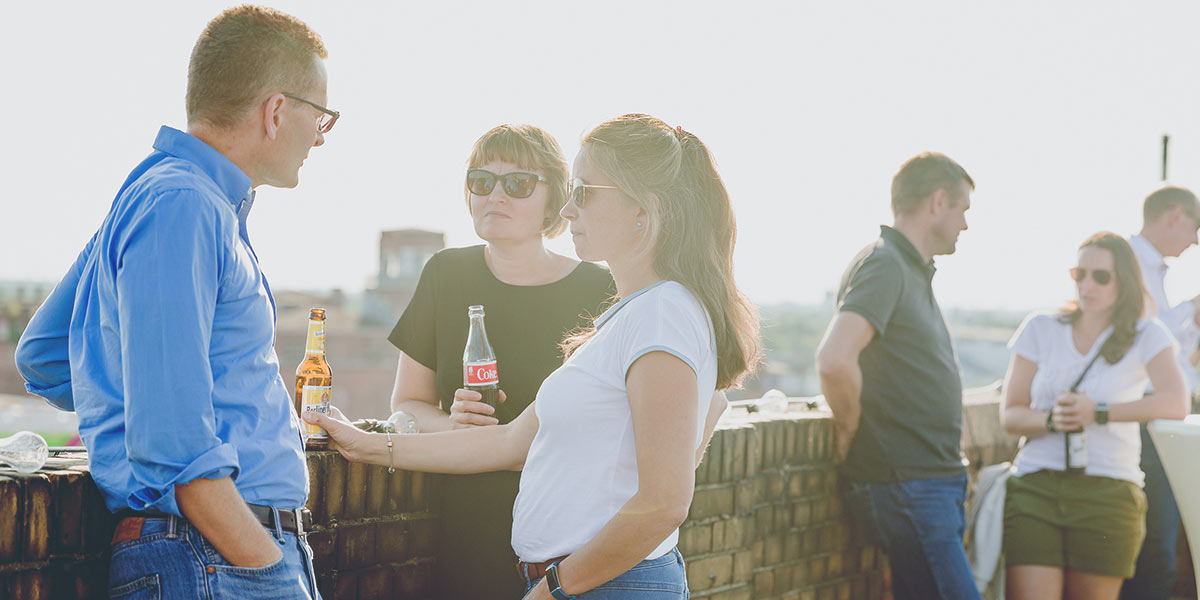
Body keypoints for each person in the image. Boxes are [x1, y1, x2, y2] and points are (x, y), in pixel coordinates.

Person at [306, 113, 758, 599]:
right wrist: (362, 443)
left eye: (583, 191)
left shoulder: (661, 315)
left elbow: (665, 503)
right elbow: (508, 444)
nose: (568, 211)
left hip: (602, 586)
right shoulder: (639, 316)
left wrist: (552, 590)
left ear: (640, 210)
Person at [14, 6, 334, 598]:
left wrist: (123, 396)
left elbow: (45, 354)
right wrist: (265, 565)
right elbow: (173, 444)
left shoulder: (168, 197)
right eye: (321, 115)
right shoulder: (180, 205)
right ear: (277, 110)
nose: (320, 135)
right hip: (215, 558)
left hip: (213, 552)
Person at [387, 124, 616, 599]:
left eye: (517, 184)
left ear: (556, 199)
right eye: (481, 181)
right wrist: (451, 424)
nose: (496, 195)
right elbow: (407, 406)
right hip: (464, 523)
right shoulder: (445, 274)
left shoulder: (600, 290)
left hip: (570, 534)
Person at [815, 152, 979, 600]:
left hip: (924, 483)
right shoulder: (886, 264)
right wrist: (849, 426)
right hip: (909, 484)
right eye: (963, 209)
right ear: (938, 201)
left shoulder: (907, 268)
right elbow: (834, 359)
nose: (965, 224)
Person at [1001, 232, 1188, 600]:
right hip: (1036, 486)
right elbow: (1010, 415)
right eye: (1079, 273)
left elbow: (1176, 403)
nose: (1087, 285)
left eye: (1100, 276)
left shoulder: (1147, 334)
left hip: (1110, 491)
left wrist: (1098, 413)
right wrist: (1053, 421)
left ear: (1126, 281)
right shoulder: (1041, 328)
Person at [1122, 186, 1200, 600]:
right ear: (1174, 216)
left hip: (1157, 419)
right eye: (1195, 227)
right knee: (1154, 553)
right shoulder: (1129, 263)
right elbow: (1154, 341)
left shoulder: (1147, 268)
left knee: (1156, 552)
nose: (1194, 241)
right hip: (1145, 423)